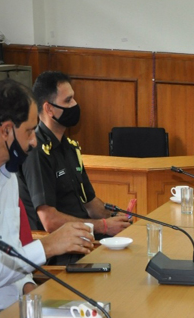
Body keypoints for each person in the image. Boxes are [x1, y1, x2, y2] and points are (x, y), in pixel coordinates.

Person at [0, 79, 93, 310]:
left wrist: (29, 288)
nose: (34, 141)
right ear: (6, 130)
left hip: (15, 304)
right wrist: (48, 246)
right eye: (29, 131)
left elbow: (12, 251)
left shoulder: (7, 172)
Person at [18, 72, 129, 262]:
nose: (75, 105)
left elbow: (90, 203)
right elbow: (49, 221)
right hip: (60, 252)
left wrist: (117, 217)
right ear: (49, 109)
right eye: (68, 100)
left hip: (84, 240)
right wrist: (103, 226)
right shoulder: (37, 151)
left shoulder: (70, 147)